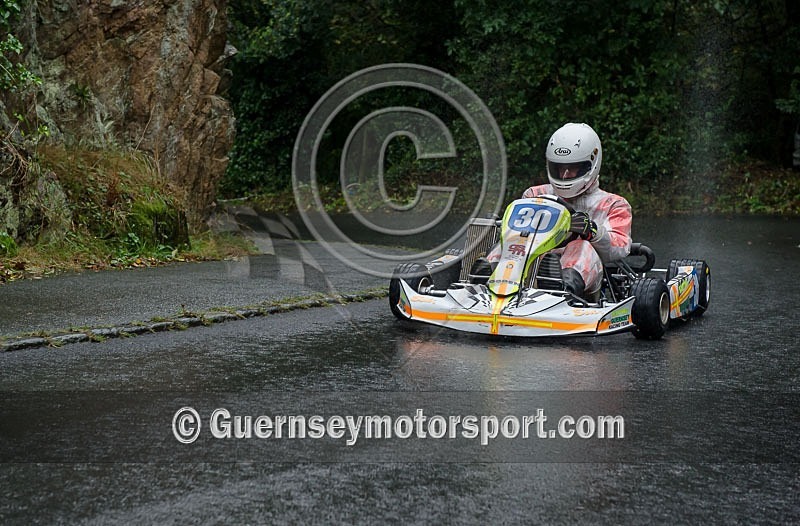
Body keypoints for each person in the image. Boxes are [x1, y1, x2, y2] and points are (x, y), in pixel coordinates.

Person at [489, 122, 632, 300]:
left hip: (586, 285)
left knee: (581, 247)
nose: (564, 175)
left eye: (572, 168)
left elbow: (620, 249)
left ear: (590, 165)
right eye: (559, 167)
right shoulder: (535, 194)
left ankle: (563, 289)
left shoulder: (613, 204)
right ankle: (485, 279)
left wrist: (592, 232)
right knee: (511, 244)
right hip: (530, 267)